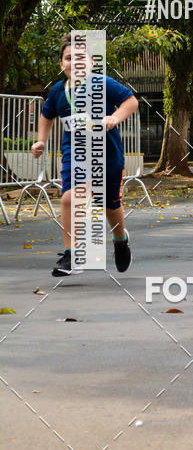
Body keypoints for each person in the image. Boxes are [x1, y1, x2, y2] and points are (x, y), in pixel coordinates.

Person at [31, 35, 138, 277]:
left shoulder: (103, 83)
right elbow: (47, 115)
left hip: (107, 154)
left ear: (91, 62)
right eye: (69, 58)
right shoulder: (58, 91)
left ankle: (120, 239)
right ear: (62, 64)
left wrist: (114, 117)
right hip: (75, 153)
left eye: (81, 58)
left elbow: (131, 102)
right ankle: (72, 255)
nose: (75, 63)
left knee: (110, 204)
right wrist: (41, 141)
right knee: (69, 198)